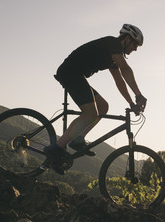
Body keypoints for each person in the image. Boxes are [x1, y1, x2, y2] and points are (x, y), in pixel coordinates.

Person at [44, 24, 147, 174]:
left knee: (103, 107)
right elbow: (125, 69)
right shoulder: (113, 43)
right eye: (135, 44)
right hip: (70, 73)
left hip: (77, 75)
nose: (135, 49)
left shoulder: (113, 56)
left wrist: (131, 103)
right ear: (126, 39)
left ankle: (78, 139)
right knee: (90, 113)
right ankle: (56, 148)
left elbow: (119, 81)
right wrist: (139, 95)